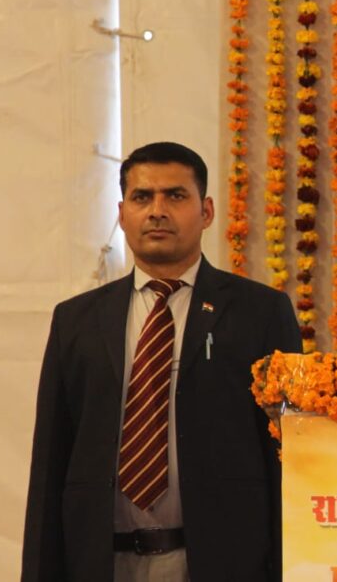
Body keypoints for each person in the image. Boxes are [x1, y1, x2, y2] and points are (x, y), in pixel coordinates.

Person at [22, 142, 302, 582]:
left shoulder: (260, 313)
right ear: (122, 214)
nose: (157, 211)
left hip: (220, 564)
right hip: (102, 563)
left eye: (175, 196)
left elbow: (288, 456)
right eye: (142, 197)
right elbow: (50, 464)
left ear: (206, 211)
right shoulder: (76, 321)